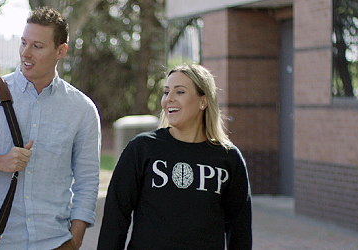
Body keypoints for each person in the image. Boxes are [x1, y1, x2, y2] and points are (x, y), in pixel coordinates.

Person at [0, 6, 101, 250]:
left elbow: (87, 181)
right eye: (23, 43)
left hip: (55, 242)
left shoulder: (82, 109)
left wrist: (75, 240)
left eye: (37, 46)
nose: (26, 53)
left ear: (61, 51)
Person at [97, 64, 252, 250]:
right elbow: (115, 218)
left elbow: (240, 231)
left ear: (203, 101)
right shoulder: (142, 148)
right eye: (166, 92)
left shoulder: (228, 158)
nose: (168, 99)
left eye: (179, 92)